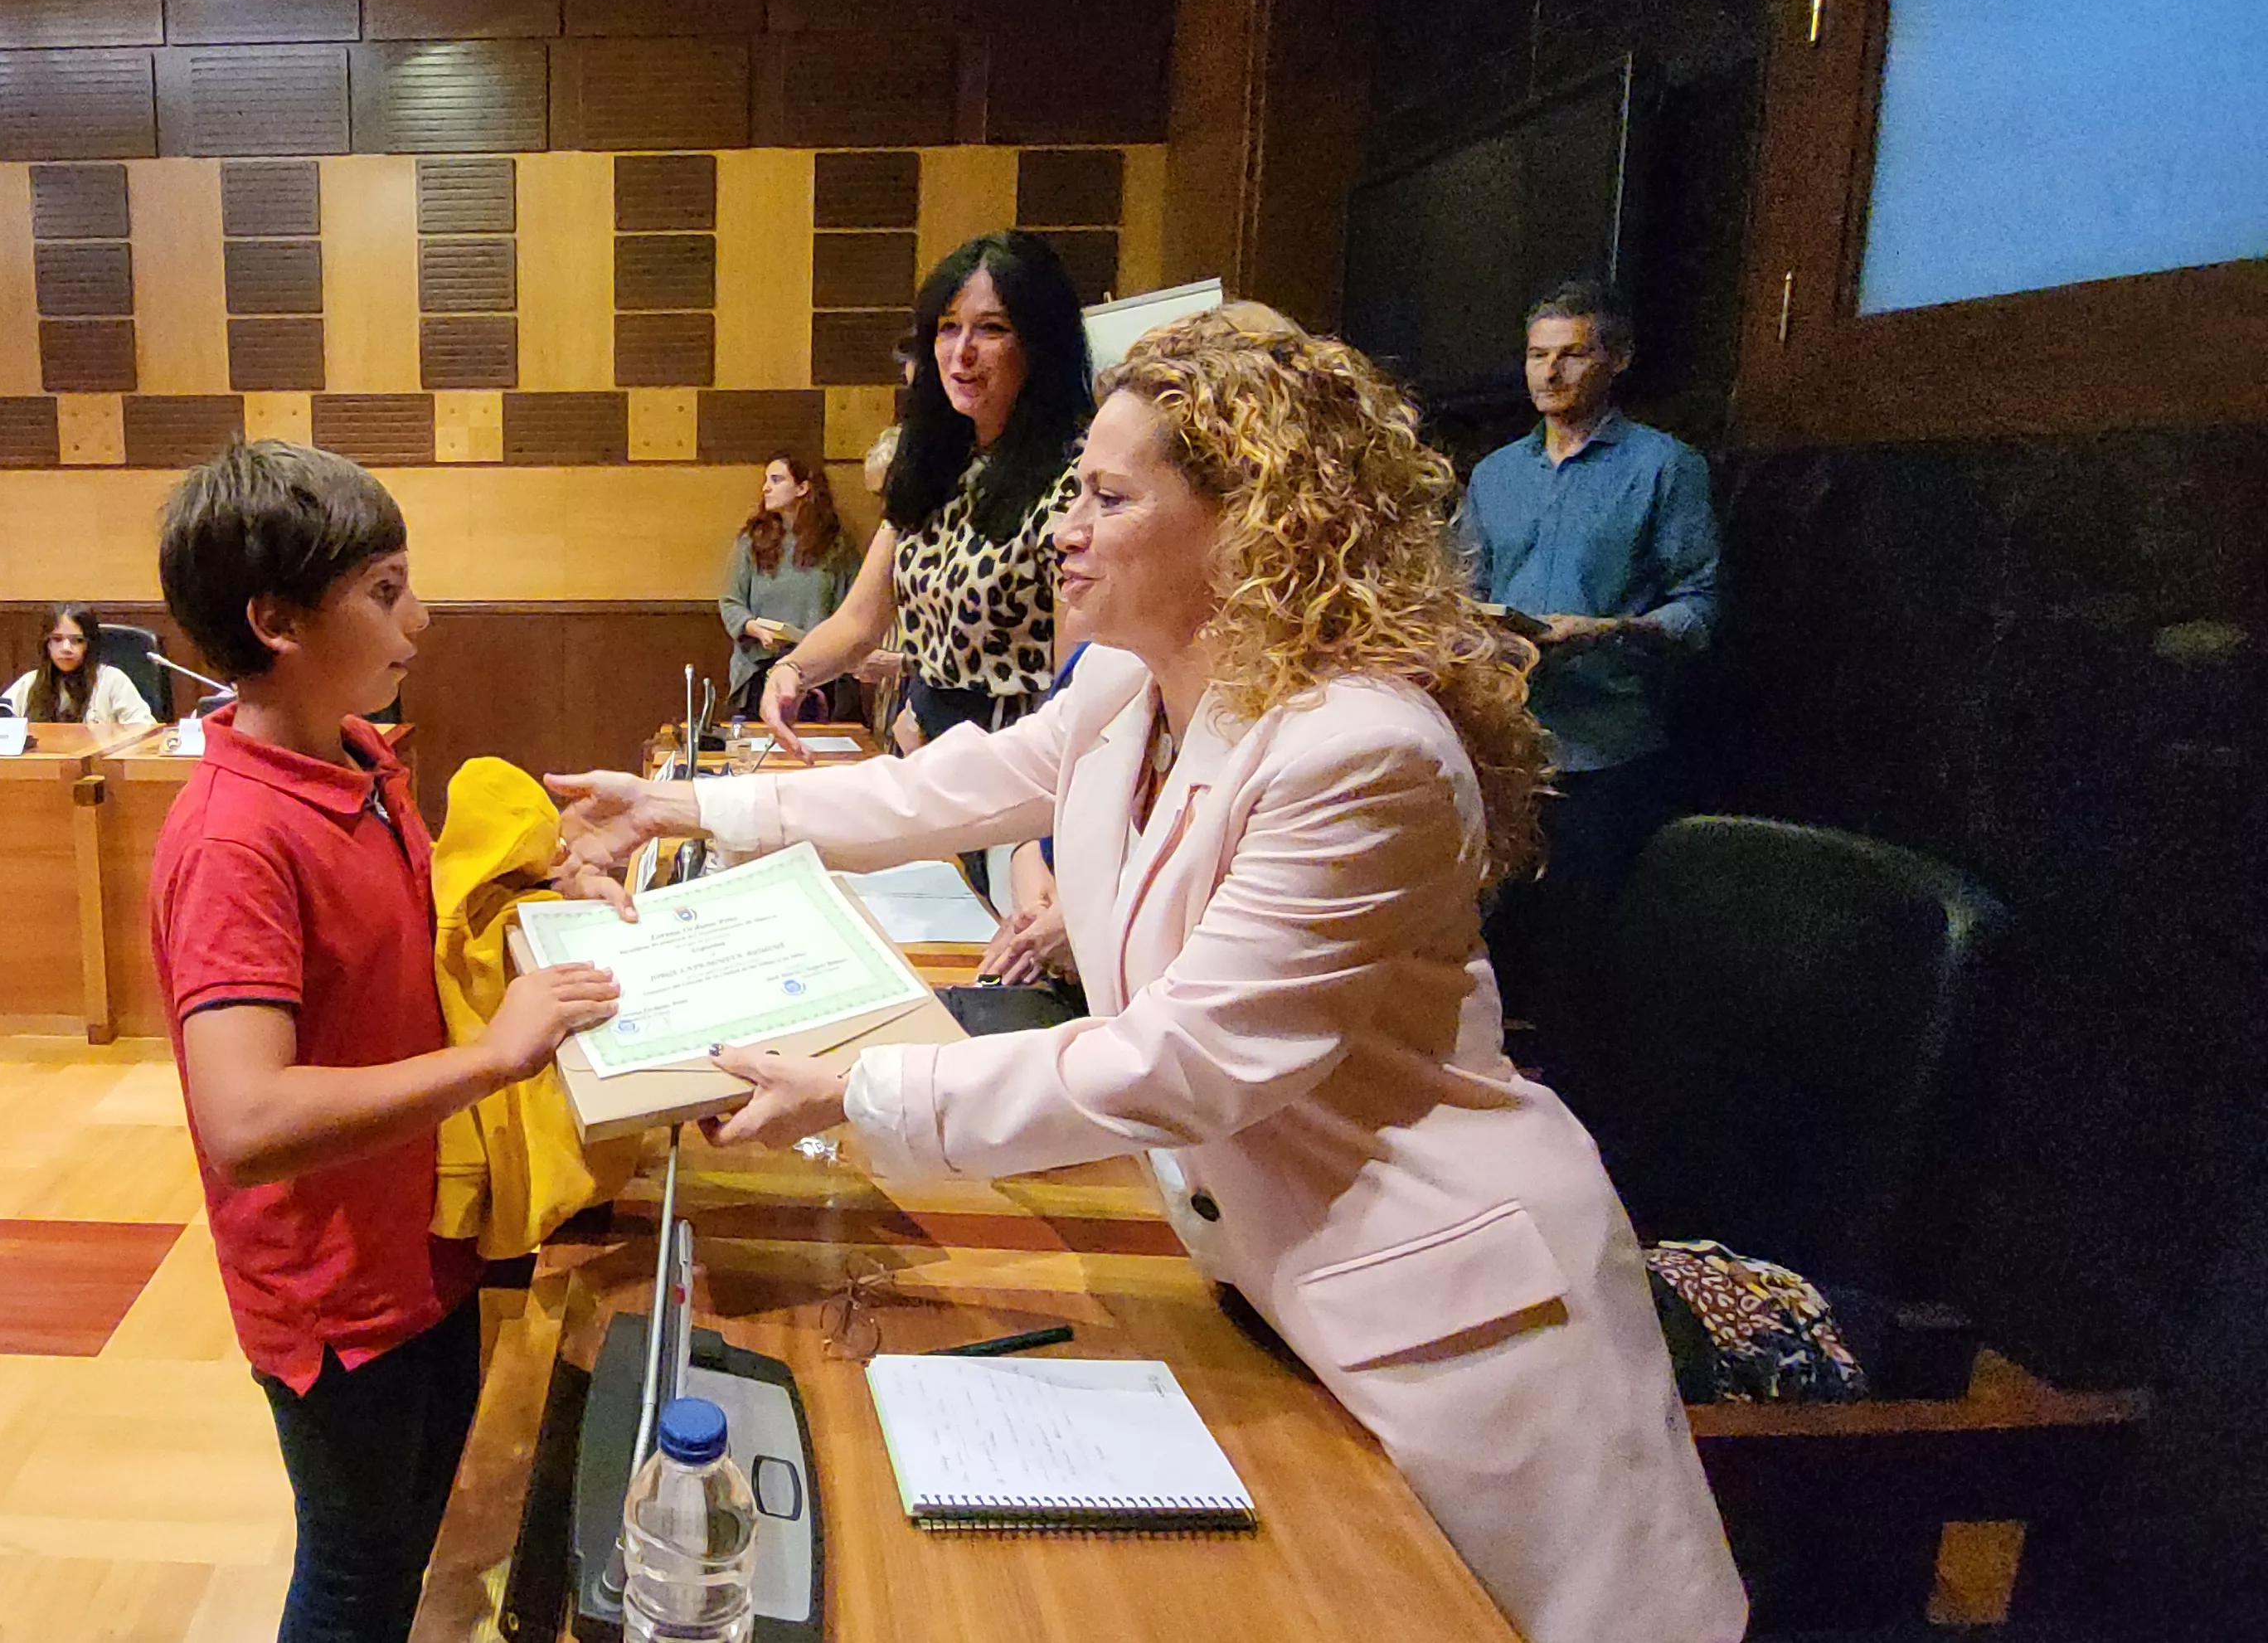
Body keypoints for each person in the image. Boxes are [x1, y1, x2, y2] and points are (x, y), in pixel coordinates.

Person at [548, 314, 1746, 1643]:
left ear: (1254, 520)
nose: (1067, 525)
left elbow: (1190, 1060)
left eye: (1111, 497)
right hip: (1265, 1275)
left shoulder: (1361, 751)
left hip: (1440, 1321)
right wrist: (681, 809)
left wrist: (857, 1091)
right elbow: (956, 785)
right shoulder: (1135, 680)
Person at [147, 438, 620, 1643]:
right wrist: (494, 1059)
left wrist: (552, 886)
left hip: (421, 1241)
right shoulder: (234, 840)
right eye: (386, 590)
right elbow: (245, 1122)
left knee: (419, 1529)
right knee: (357, 1571)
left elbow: (405, 957)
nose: (424, 614)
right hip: (333, 1294)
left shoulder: (361, 760)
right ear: (276, 620)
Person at [1459, 281, 1722, 1043]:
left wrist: (1607, 630)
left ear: (1618, 360)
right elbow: (1461, 585)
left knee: (1582, 962)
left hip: (1606, 749)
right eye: (1538, 356)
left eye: (1573, 355)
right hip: (1504, 744)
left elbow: (1700, 606)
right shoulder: (1494, 474)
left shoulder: (1665, 468)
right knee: (1483, 952)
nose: (1550, 374)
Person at [755, 231, 1093, 759]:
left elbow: (1079, 688)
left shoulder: (1079, 476)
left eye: (992, 329)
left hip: (1017, 764)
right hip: (924, 749)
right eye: (947, 329)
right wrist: (792, 670)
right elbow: (859, 623)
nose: (962, 353)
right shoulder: (934, 463)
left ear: (1041, 343)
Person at [717, 452, 852, 706]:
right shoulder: (751, 541)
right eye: (766, 480)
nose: (766, 488)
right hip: (760, 666)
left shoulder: (836, 545)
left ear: (802, 487)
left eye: (776, 480)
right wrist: (753, 628)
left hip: (817, 671)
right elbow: (730, 602)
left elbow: (852, 606)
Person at [4, 605, 158, 733]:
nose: (66, 648)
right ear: (46, 644)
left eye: (77, 641)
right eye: (57, 639)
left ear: (89, 645)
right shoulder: (29, 683)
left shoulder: (112, 681)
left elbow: (145, 730)